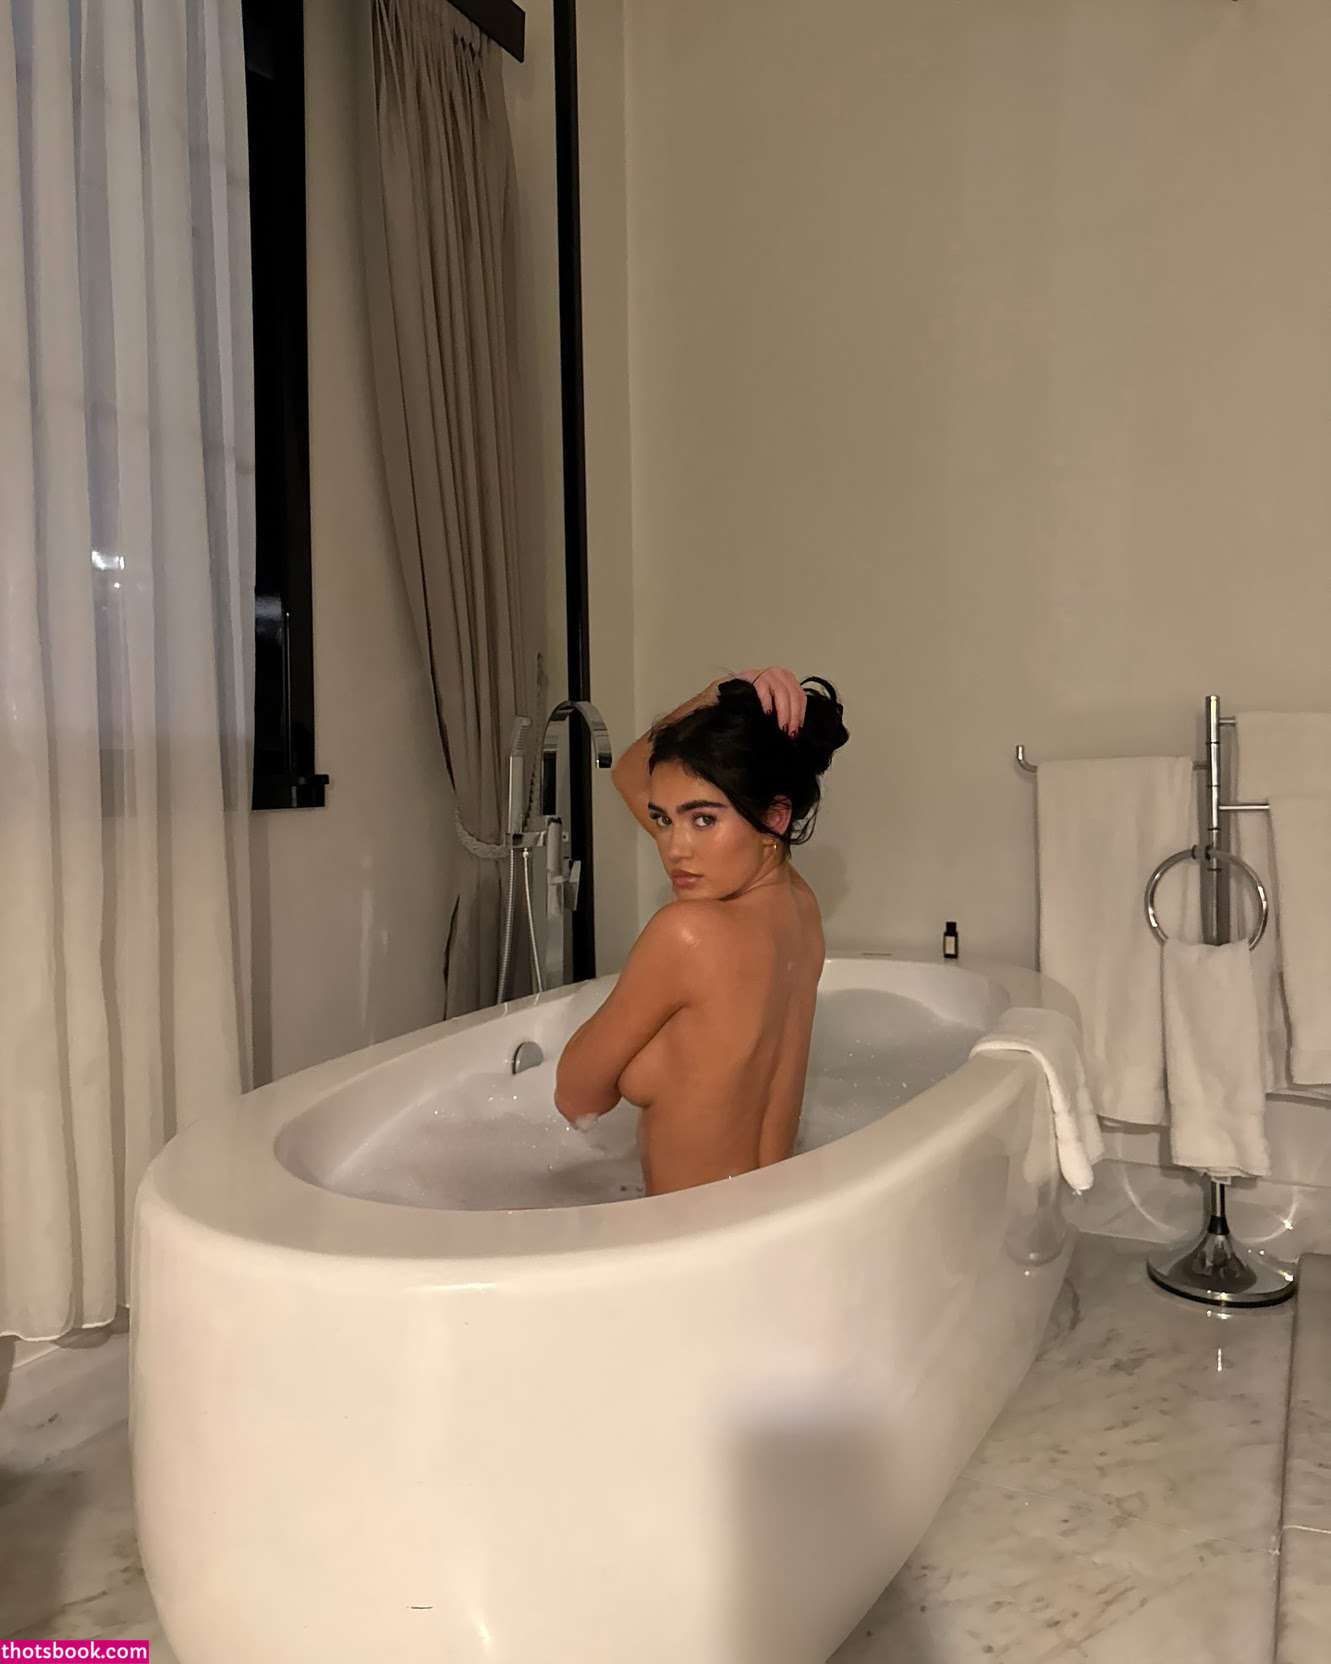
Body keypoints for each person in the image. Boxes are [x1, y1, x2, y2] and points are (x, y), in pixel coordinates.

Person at [553, 666, 850, 1196]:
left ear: (775, 817)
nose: (674, 849)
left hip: (689, 1232)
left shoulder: (688, 934)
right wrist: (723, 695)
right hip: (767, 1212)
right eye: (664, 819)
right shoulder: (799, 906)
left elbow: (576, 1100)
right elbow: (632, 775)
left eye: (703, 820)